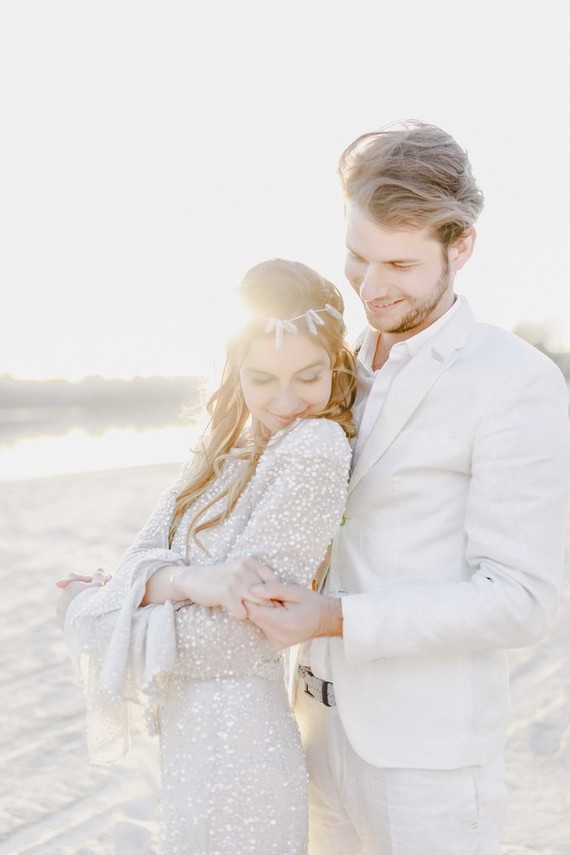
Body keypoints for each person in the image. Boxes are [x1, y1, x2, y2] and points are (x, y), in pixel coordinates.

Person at [246, 123, 570, 854]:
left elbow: (521, 599)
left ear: (461, 248)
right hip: (311, 734)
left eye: (398, 262)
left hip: (428, 767)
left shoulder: (515, 382)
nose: (371, 285)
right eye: (357, 258)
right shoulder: (329, 367)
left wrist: (334, 618)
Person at [56, 259, 358, 855]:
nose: (288, 400)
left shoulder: (315, 448)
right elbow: (141, 554)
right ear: (236, 371)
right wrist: (195, 584)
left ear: (336, 365)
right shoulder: (220, 452)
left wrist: (90, 610)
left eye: (308, 375)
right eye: (262, 379)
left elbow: (239, 640)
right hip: (190, 754)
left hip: (243, 757)